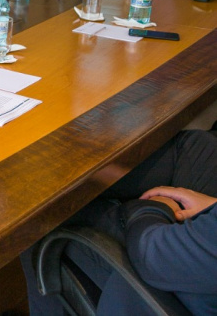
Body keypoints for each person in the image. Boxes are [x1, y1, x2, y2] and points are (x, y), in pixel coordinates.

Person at [22, 129, 217, 315]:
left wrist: (154, 207)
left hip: (174, 280)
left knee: (37, 204)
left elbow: (153, 254)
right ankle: (73, 178)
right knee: (195, 147)